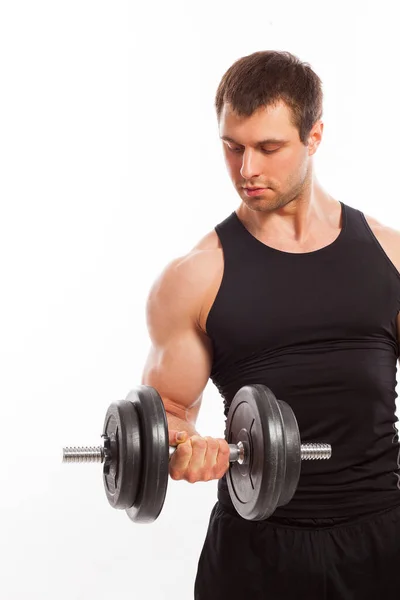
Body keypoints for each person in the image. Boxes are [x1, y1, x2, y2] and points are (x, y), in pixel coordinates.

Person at [141, 50, 400, 599]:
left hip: (382, 543)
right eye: (232, 147)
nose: (247, 169)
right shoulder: (196, 277)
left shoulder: (389, 257)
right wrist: (186, 446)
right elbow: (165, 414)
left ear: (315, 137)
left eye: (269, 148)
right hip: (255, 554)